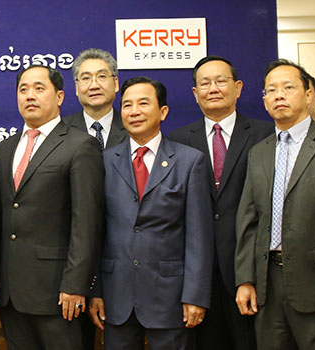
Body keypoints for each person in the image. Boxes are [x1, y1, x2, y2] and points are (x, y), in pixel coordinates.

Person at [235, 59, 315, 349]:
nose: (279, 95)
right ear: (265, 100)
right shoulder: (259, 152)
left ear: (309, 95)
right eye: (271, 90)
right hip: (267, 285)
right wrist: (245, 279)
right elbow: (249, 221)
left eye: (288, 87)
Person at [88, 77, 214, 350]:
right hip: (116, 296)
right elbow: (95, 231)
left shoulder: (189, 161)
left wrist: (195, 295)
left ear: (163, 112)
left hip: (169, 296)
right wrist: (95, 291)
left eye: (143, 104)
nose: (134, 112)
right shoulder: (105, 161)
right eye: (127, 105)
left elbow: (199, 237)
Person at [0, 65, 104, 349]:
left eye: (39, 88)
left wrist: (75, 285)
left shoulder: (81, 145)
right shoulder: (6, 149)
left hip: (58, 293)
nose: (30, 95)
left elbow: (87, 223)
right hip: (11, 294)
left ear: (59, 97)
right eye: (23, 89)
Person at [167, 55, 273, 350]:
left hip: (248, 272)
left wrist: (249, 273)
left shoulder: (265, 135)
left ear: (238, 87)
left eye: (221, 81)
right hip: (195, 276)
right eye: (205, 83)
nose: (213, 88)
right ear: (195, 93)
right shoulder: (177, 141)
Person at [64, 48, 128, 150]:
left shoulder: (131, 126)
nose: (94, 85)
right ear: (77, 87)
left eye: (102, 76)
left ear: (115, 83)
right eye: (86, 78)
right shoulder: (62, 130)